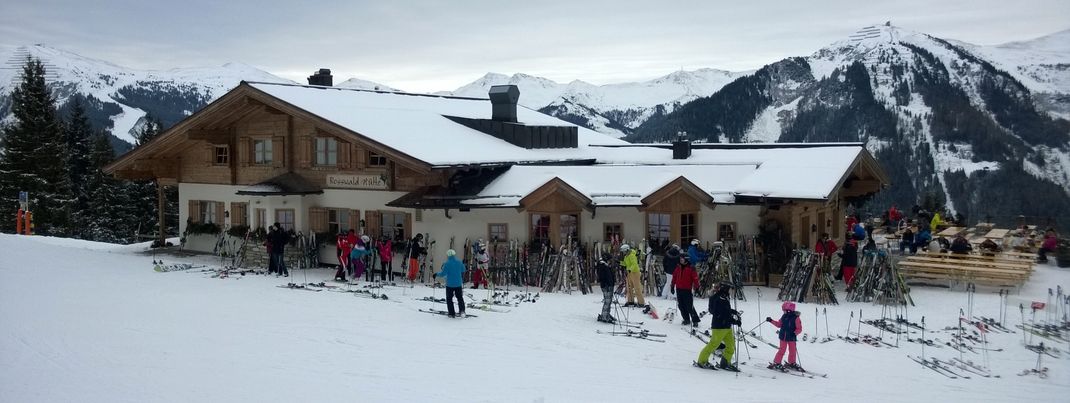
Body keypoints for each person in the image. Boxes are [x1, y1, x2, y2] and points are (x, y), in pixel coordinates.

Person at [695, 283, 741, 371]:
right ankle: (702, 361)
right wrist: (735, 321)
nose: (731, 291)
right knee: (713, 345)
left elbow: (725, 310)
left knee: (731, 345)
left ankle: (725, 362)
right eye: (730, 289)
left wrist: (733, 312)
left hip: (726, 326)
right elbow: (722, 314)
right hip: (719, 326)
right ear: (725, 289)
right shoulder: (719, 298)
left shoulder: (723, 297)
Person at [766, 301, 804, 372]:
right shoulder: (784, 316)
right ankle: (777, 362)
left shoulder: (796, 318)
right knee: (782, 350)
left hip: (791, 337)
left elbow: (799, 328)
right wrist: (771, 320)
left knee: (792, 351)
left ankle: (792, 362)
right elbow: (779, 324)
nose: (783, 312)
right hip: (783, 337)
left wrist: (795, 333)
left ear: (789, 311)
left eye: (784, 311)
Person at [435, 249, 467, 318]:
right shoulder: (459, 262)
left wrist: (436, 274)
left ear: (448, 255)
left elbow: (443, 274)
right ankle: (462, 311)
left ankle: (451, 313)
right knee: (460, 298)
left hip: (449, 284)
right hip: (458, 283)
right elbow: (463, 269)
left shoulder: (447, 263)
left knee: (449, 298)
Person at [673, 255, 701, 326]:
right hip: (679, 289)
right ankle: (686, 319)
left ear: (686, 259)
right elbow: (674, 277)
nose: (681, 260)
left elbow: (695, 278)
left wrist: (697, 287)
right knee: (681, 305)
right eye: (680, 259)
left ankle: (695, 320)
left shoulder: (691, 268)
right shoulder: (678, 267)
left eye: (682, 259)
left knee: (689, 305)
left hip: (687, 289)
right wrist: (672, 286)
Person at [596, 252, 616, 323]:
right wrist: (607, 284)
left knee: (609, 301)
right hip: (606, 285)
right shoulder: (602, 265)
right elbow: (603, 276)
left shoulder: (605, 265)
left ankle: (607, 314)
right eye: (609, 260)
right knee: (607, 301)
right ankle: (604, 316)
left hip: (609, 284)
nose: (610, 261)